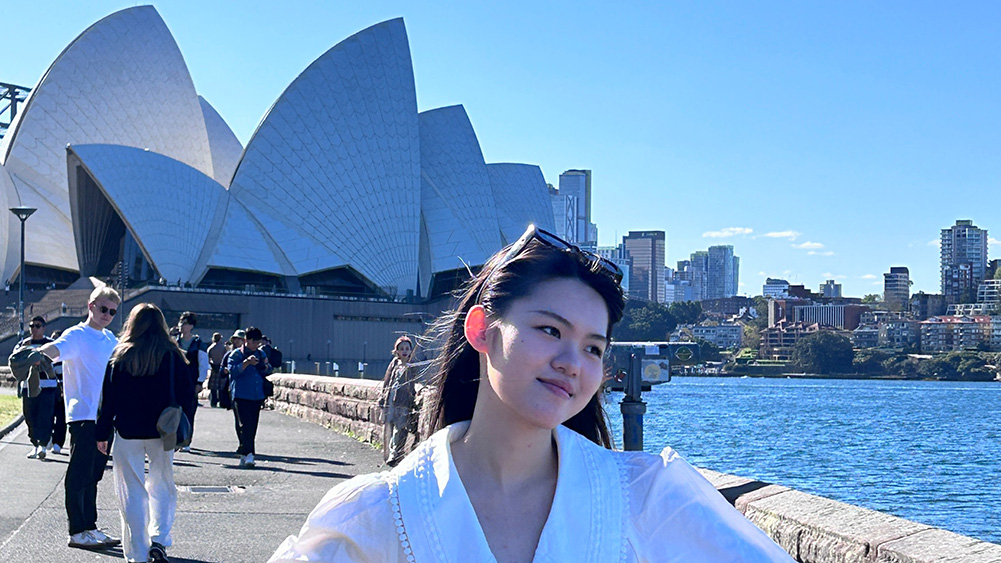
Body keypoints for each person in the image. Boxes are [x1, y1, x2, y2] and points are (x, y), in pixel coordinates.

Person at [269, 225, 794, 562]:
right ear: (482, 330)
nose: (572, 363)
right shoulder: (374, 516)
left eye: (593, 348)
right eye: (549, 331)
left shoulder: (647, 497)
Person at [96, 303, 194, 563]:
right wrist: (187, 428)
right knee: (162, 485)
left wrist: (102, 432)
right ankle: (159, 539)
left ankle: (138, 552)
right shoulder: (173, 354)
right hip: (164, 432)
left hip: (127, 430)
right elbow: (188, 396)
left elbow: (109, 399)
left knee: (130, 492)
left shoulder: (120, 355)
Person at [35, 285, 122, 550]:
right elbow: (54, 349)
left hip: (106, 417)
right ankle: (77, 530)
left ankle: (90, 527)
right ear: (90, 306)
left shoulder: (111, 339)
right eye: (103, 309)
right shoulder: (77, 334)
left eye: (112, 311)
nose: (107, 314)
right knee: (79, 472)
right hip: (83, 415)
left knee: (94, 474)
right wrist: (35, 356)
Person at [10, 316, 56, 459]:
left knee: (45, 416)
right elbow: (15, 362)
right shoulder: (23, 344)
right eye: (31, 326)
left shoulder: (51, 344)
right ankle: (34, 445)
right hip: (28, 386)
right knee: (30, 416)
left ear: (44, 328)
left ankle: (42, 445)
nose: (34, 329)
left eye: (37, 326)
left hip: (48, 386)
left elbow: (59, 365)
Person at [227, 327, 272, 468]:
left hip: (257, 394)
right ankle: (249, 454)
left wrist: (264, 365)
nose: (255, 346)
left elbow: (268, 370)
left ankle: (245, 452)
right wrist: (246, 363)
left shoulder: (261, 353)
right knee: (244, 425)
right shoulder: (236, 354)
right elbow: (232, 372)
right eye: (253, 343)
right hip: (241, 394)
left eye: (258, 343)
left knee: (252, 425)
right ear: (246, 341)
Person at [175, 312, 208, 451]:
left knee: (189, 412)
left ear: (192, 326)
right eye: (181, 323)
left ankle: (187, 440)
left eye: (186, 323)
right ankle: (175, 439)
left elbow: (203, 363)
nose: (183, 326)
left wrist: (200, 382)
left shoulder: (198, 344)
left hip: (191, 382)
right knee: (174, 411)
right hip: (176, 382)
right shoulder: (174, 342)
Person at [380, 335, 414, 466]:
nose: (405, 351)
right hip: (391, 400)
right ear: (397, 351)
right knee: (390, 426)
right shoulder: (394, 363)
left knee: (401, 427)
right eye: (402, 349)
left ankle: (395, 453)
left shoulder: (412, 365)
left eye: (407, 348)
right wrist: (383, 397)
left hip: (404, 402)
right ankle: (390, 453)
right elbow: (387, 380)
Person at [206, 332, 225, 407]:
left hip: (213, 367)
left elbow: (208, 358)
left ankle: (213, 402)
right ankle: (221, 401)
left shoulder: (210, 347)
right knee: (221, 386)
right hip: (221, 366)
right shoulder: (223, 347)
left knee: (213, 386)